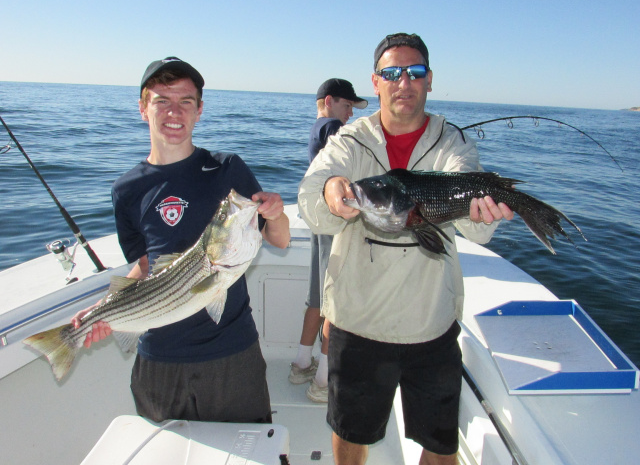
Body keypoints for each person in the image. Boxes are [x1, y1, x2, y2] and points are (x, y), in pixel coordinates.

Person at [298, 34, 515, 464]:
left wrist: (480, 214)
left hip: (430, 322)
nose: (404, 82)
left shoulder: (452, 143)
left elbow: (474, 223)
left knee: (440, 447)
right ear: (376, 81)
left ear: (429, 81)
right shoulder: (349, 139)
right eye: (392, 73)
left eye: (415, 73)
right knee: (350, 434)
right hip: (358, 321)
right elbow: (310, 196)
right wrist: (330, 190)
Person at [71, 57, 290, 424]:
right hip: (159, 358)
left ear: (199, 110)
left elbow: (279, 240)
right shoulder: (126, 189)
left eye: (186, 101)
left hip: (232, 353)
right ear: (143, 108)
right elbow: (144, 266)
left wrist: (277, 214)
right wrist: (101, 310)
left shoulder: (227, 168)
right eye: (162, 100)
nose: (175, 112)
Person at [289, 79, 367, 403]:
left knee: (316, 298)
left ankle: (301, 363)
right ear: (330, 101)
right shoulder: (334, 127)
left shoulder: (316, 127)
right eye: (348, 105)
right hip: (334, 225)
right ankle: (323, 381)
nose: (350, 114)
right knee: (333, 303)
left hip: (317, 222)